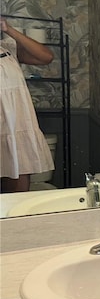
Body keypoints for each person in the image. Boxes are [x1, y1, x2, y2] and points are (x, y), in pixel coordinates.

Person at [1, 16, 55, 193]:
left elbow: (46, 57)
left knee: (19, 187)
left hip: (17, 126)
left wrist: (9, 29)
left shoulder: (7, 49)